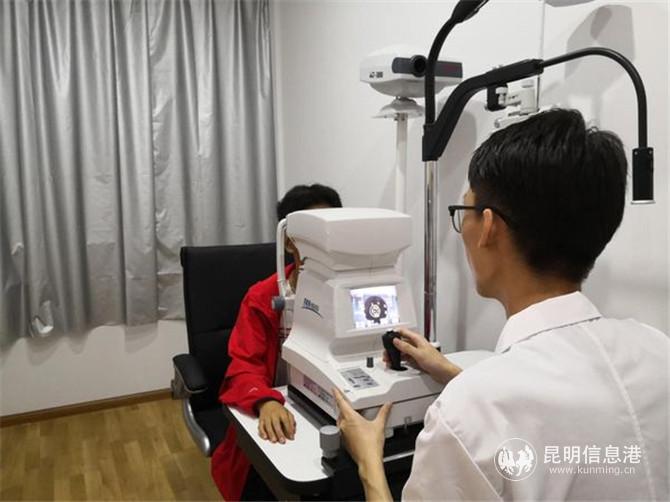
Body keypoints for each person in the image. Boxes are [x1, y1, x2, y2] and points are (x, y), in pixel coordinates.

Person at [334, 109, 669, 501]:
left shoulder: (467, 413)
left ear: (489, 227)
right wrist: (452, 373)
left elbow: (507, 415)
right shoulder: (657, 349)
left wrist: (368, 460)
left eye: (463, 211)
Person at [210, 184, 342, 501]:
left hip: (335, 414)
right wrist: (265, 401)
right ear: (289, 239)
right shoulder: (263, 297)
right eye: (313, 231)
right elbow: (244, 365)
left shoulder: (352, 293)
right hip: (282, 412)